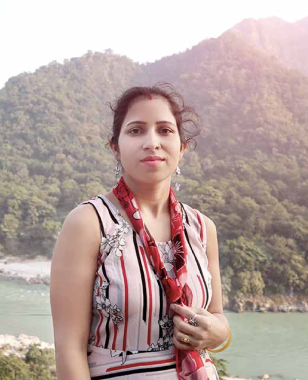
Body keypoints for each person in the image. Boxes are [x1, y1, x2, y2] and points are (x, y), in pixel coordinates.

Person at [50, 83, 231, 380]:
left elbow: (218, 317)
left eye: (164, 130)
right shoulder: (89, 223)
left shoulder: (201, 228)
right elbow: (69, 347)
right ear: (116, 147)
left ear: (182, 148)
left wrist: (220, 332)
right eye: (136, 130)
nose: (152, 142)